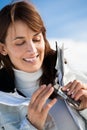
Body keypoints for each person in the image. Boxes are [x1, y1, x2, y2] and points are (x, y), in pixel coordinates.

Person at [0, 1, 87, 130]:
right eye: (20, 43)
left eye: (36, 39)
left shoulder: (75, 78)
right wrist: (31, 126)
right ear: (2, 49)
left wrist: (85, 108)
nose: (32, 49)